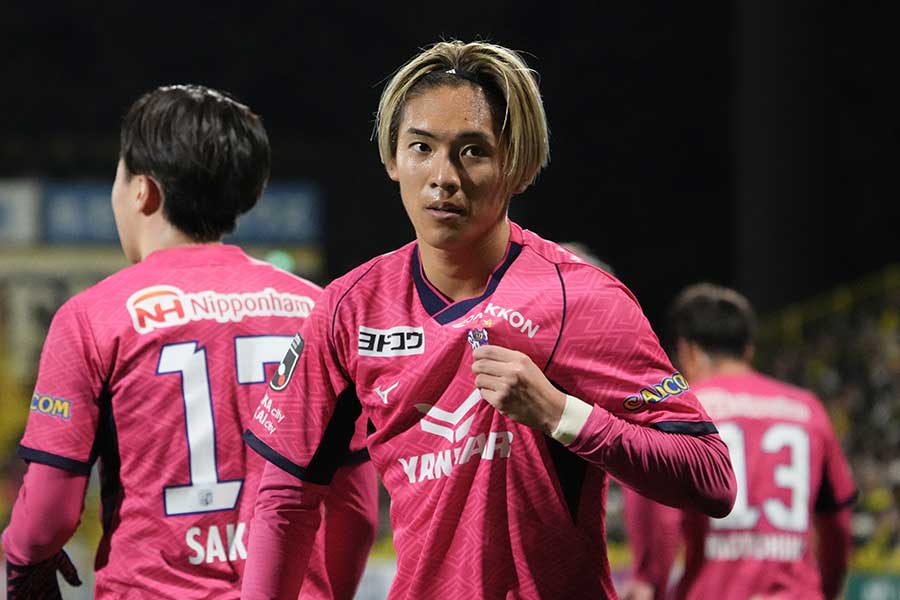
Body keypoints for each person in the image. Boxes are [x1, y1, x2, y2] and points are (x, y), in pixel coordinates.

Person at [240, 40, 736, 600]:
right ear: (392, 159)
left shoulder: (583, 298)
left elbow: (711, 476)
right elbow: (285, 500)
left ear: (518, 167)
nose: (442, 176)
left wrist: (561, 414)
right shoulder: (349, 309)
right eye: (421, 147)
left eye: (473, 151)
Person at [1, 85, 378, 599]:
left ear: (142, 190)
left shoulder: (93, 317)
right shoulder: (318, 309)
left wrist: (25, 558)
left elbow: (48, 513)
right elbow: (355, 507)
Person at [620, 283, 857, 600]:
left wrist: (651, 581)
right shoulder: (808, 409)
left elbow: (661, 519)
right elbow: (837, 522)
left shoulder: (682, 411)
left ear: (688, 350)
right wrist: (824, 591)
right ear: (748, 350)